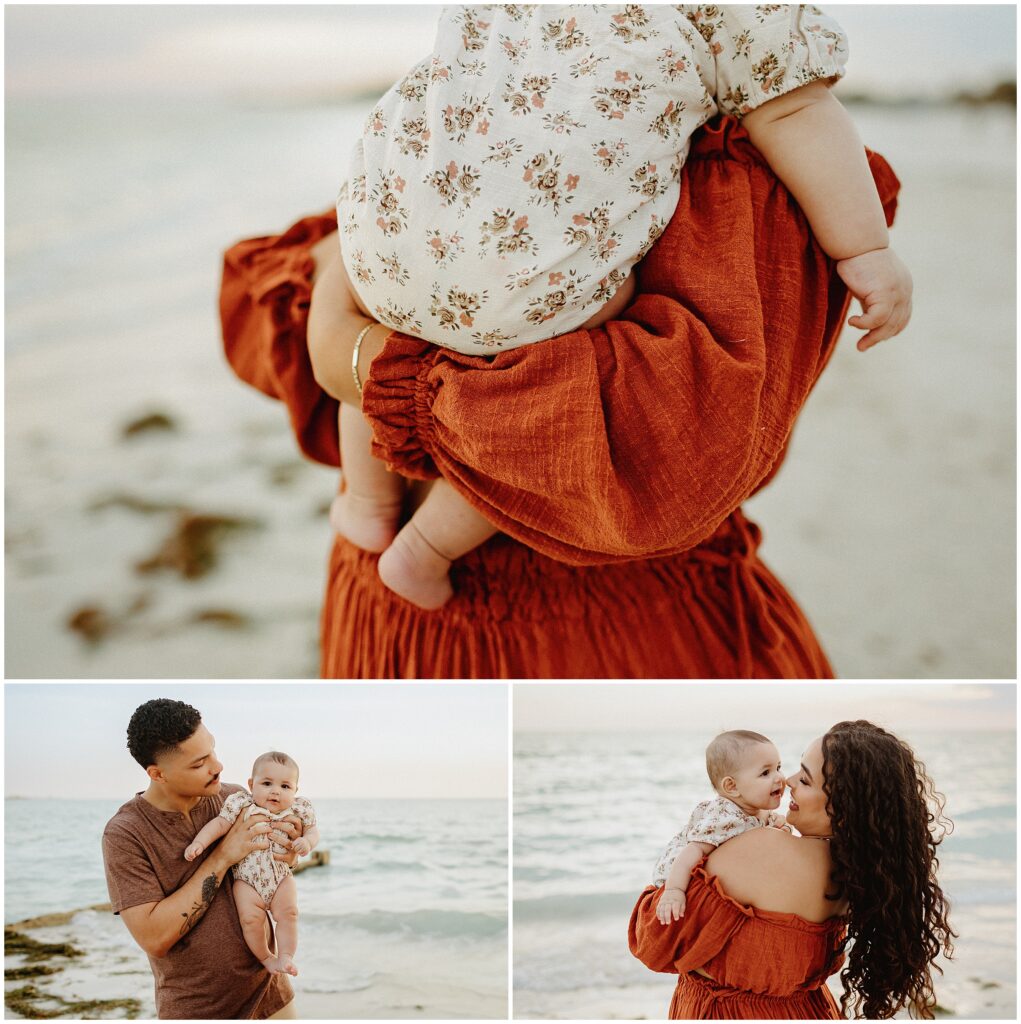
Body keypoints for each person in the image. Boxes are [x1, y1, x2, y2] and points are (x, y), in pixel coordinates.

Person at [220, 81, 903, 676]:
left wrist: (355, 335)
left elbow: (655, 446)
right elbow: (261, 325)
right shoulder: (481, 114)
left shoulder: (744, 180)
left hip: (592, 632)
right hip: (428, 624)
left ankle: (386, 514)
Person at [321, 4, 912, 612]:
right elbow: (793, 106)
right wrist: (865, 248)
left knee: (397, 318)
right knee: (545, 397)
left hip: (385, 220)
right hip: (525, 270)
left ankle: (368, 505)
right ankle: (424, 547)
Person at [629, 720, 956, 1019]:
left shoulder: (761, 849)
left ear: (842, 806)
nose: (788, 781)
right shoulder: (860, 872)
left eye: (805, 778)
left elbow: (652, 942)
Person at [102, 699, 302, 1019]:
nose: (217, 766)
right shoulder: (126, 834)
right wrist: (222, 856)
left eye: (212, 750)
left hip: (271, 996)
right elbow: (154, 938)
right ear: (157, 774)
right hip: (197, 1009)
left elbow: (275, 871)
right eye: (199, 764)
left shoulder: (234, 798)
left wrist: (289, 853)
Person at [185, 751, 319, 977]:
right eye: (267, 783)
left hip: (281, 876)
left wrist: (307, 841)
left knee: (289, 914)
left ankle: (286, 956)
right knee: (250, 920)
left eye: (285, 786)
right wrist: (199, 842)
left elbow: (313, 831)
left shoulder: (298, 809)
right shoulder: (241, 803)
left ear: (295, 791)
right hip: (247, 881)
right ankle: (266, 958)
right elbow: (219, 824)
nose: (276, 791)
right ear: (251, 784)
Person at [653, 730, 786, 925]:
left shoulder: (757, 811)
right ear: (732, 787)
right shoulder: (723, 815)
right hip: (678, 873)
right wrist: (674, 890)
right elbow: (693, 850)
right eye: (765, 773)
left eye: (778, 768)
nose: (779, 778)